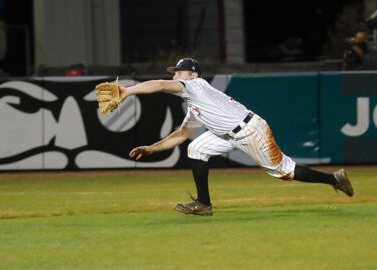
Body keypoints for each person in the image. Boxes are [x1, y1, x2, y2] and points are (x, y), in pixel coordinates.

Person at [121, 58, 354, 216]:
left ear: (193, 74)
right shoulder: (195, 104)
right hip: (229, 135)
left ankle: (334, 179)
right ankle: (204, 204)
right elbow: (181, 135)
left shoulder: (195, 86)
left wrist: (128, 91)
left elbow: (160, 85)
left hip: (251, 131)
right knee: (197, 148)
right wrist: (151, 149)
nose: (176, 76)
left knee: (284, 172)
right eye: (176, 73)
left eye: (180, 72)